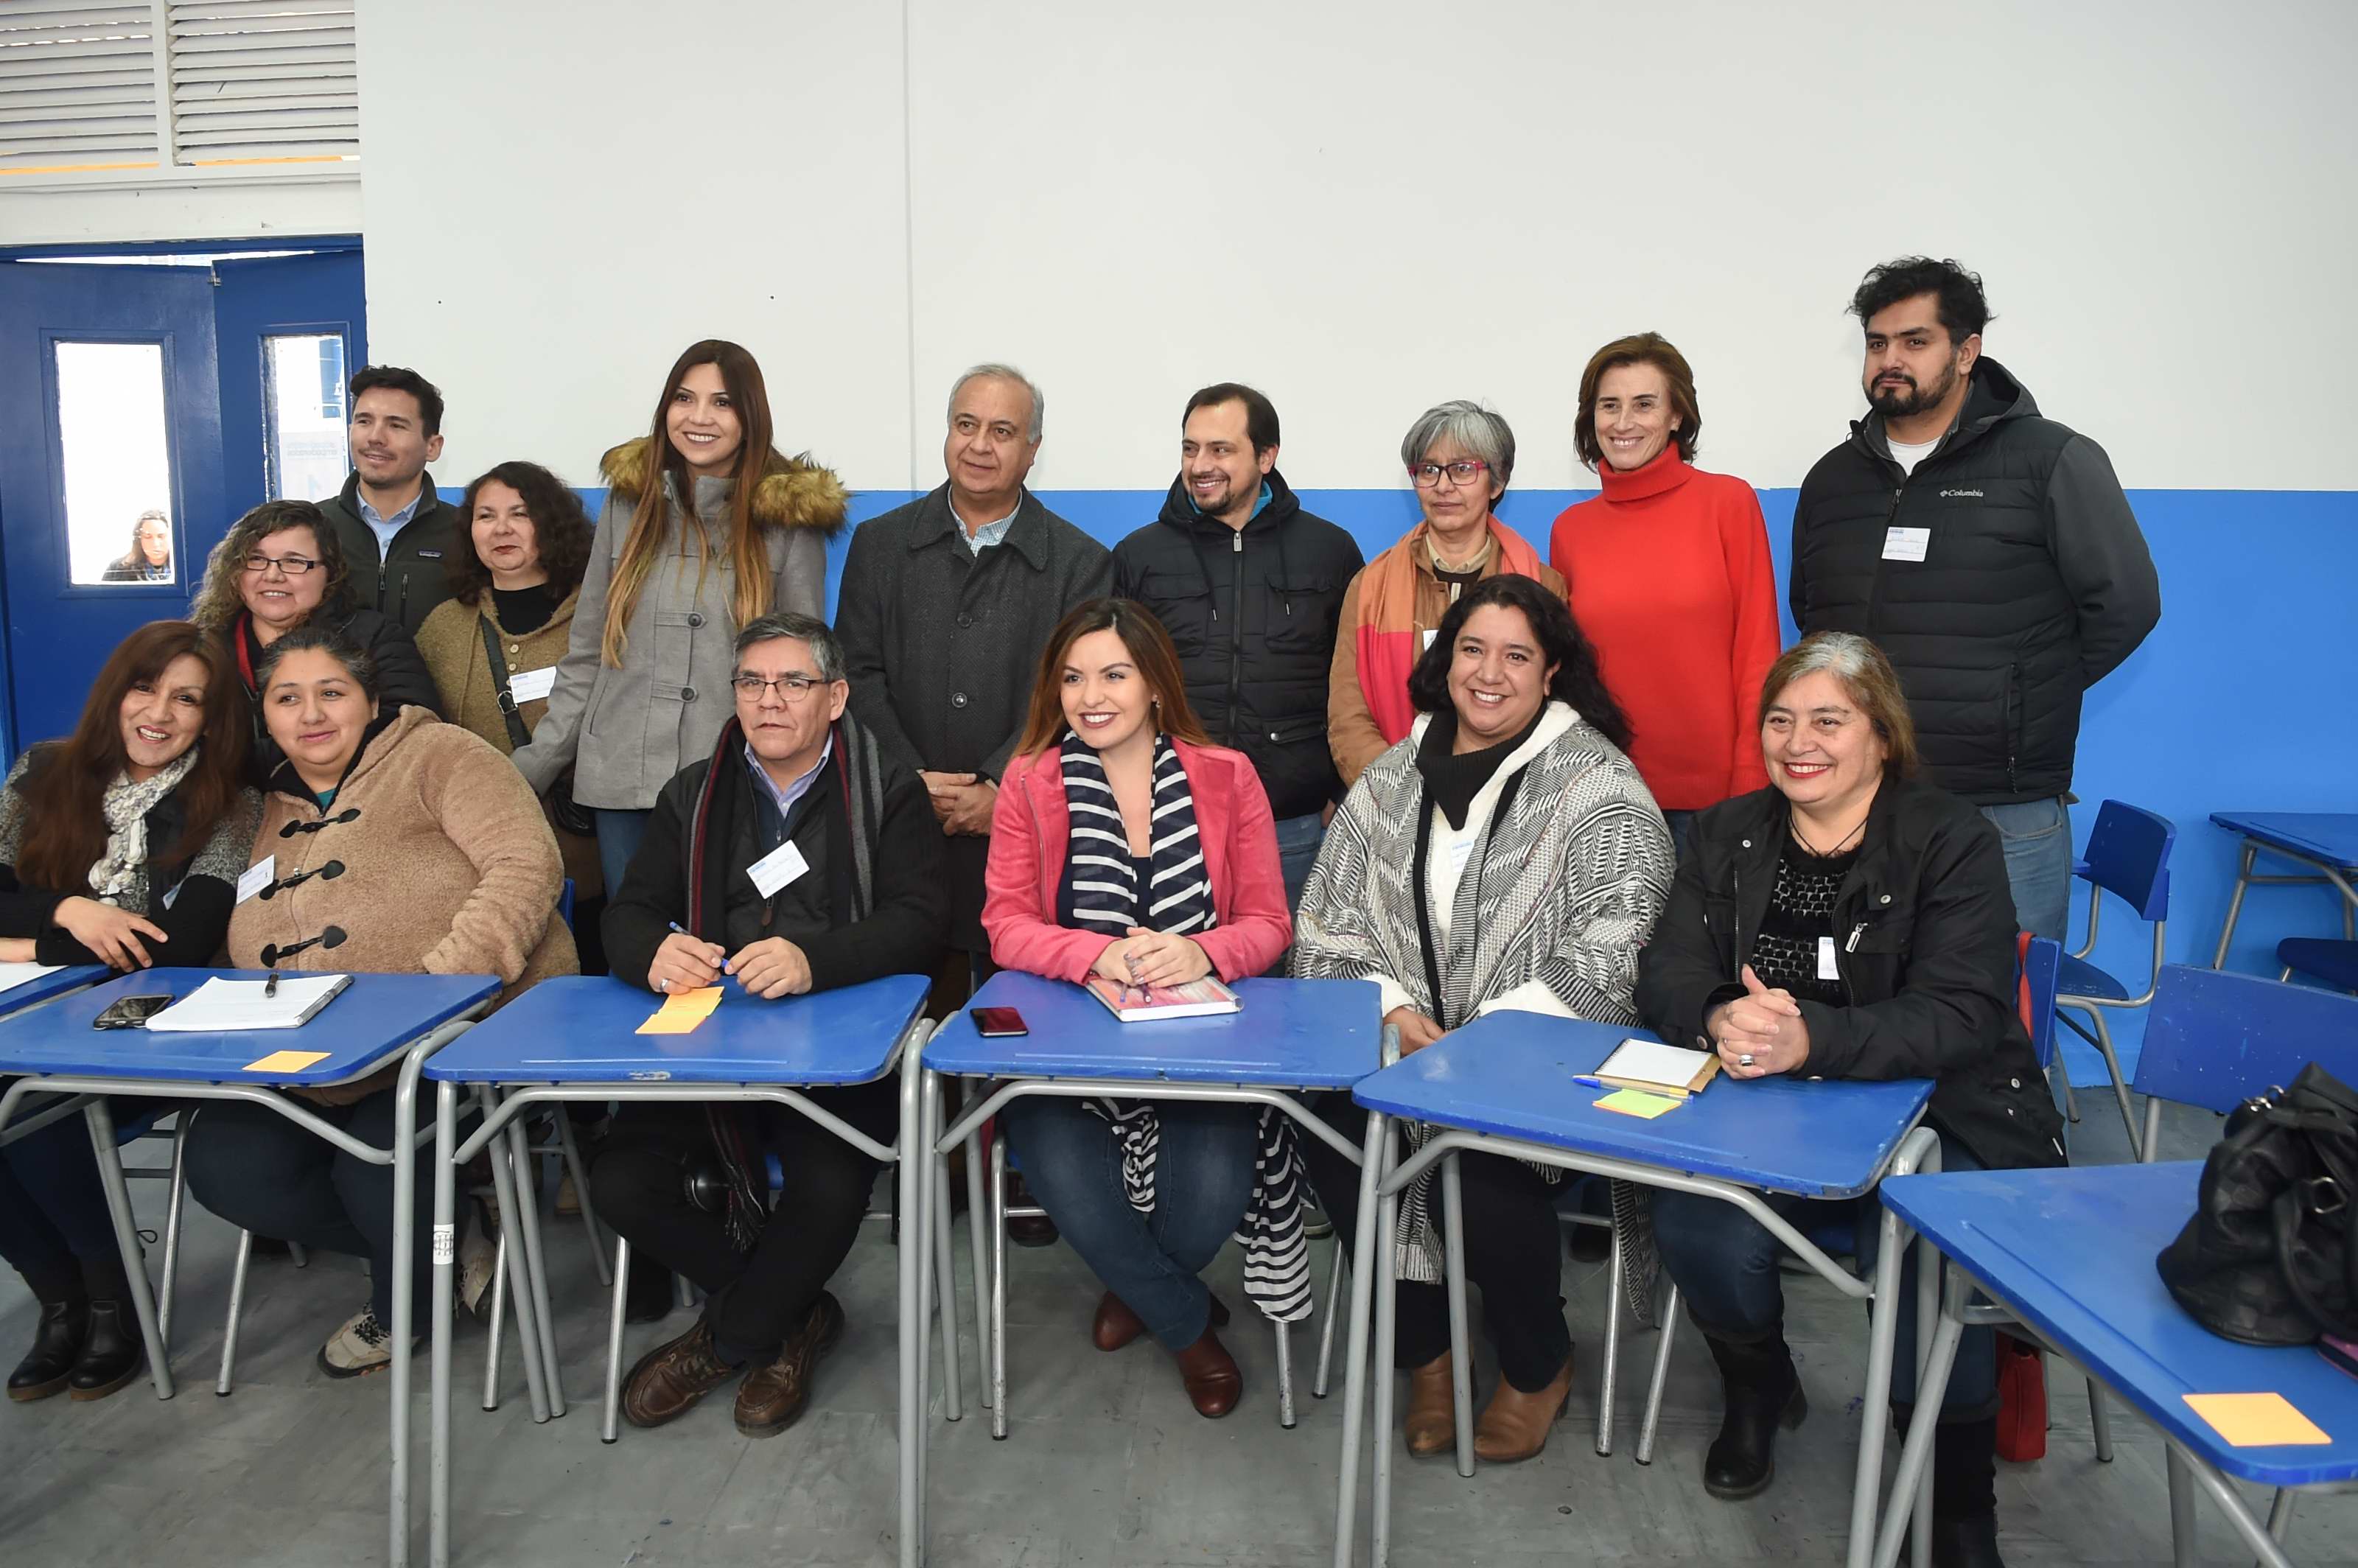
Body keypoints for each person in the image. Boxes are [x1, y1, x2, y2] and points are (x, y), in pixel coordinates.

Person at [1634, 631, 2064, 1568]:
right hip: (1765, 1112)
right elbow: (1665, 968)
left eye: (1827, 720)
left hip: (1941, 1111)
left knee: (1925, 1251)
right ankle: (1759, 1386)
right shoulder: (1723, 831)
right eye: (1779, 720)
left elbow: (1961, 1012)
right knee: (1694, 1222)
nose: (1798, 743)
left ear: (1880, 734)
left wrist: (1810, 1040)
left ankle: (1952, 1500)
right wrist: (1718, 1012)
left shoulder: (1950, 839)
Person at [1293, 573, 1673, 1464]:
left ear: (1551, 672)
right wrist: (1391, 1010)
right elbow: (1326, 919)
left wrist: (1485, 1040)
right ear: (1445, 658)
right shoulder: (1391, 774)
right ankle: (1427, 1352)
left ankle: (1538, 1362)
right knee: (1333, 1125)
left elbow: (1620, 935)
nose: (1488, 673)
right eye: (1471, 649)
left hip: (1536, 1055)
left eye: (1515, 655)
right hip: (1400, 1044)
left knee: (1473, 1158)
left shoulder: (1598, 786)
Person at [183, 624, 577, 1377]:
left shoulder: (443, 755)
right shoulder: (257, 806)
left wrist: (439, 992)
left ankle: (407, 1303)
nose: (311, 714)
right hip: (308, 1052)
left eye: (331, 693)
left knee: (378, 1166)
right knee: (227, 1166)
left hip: (462, 1032)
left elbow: (527, 866)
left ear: (370, 701)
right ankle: (451, 1237)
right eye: (287, 698)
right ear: (265, 714)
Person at [591, 613, 947, 1438]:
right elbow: (628, 912)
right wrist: (653, 953)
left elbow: (920, 919)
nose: (769, 700)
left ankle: (731, 1335)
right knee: (621, 1179)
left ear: (836, 698)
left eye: (793, 682)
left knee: (828, 1187)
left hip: (840, 1049)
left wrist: (814, 960)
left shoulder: (888, 791)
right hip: (710, 1045)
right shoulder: (694, 793)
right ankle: (794, 1312)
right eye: (751, 682)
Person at [980, 599, 1292, 1418]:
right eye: (1072, 678)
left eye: (1114, 675)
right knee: (1059, 1166)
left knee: (1215, 1188)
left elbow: (1269, 922)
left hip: (1200, 1047)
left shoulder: (1227, 775)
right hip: (1065, 1050)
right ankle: (1187, 1327)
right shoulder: (1030, 780)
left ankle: (1137, 1290)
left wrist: (1203, 951)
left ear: (1155, 684)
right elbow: (1004, 923)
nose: (1090, 697)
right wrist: (1094, 954)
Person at [1789, 257, 2160, 940]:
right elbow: (1813, 614)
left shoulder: (2050, 459)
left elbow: (2127, 604)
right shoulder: (1833, 480)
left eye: (1915, 341)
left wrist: (2022, 694)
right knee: (1862, 993)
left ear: (1966, 353)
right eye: (1877, 343)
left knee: (2006, 999)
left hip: (2002, 808)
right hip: (1860, 801)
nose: (1890, 360)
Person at [0, 621, 257, 1404]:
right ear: (116, 693)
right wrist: (72, 911)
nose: (159, 713)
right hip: (30, 1014)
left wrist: (24, 942)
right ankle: (59, 1297)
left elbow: (178, 945)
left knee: (34, 1107)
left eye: (188, 699)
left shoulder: (231, 803)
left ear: (210, 720)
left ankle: (114, 1299)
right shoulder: (42, 771)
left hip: (149, 1028)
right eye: (145, 689)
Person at [511, 340, 843, 905]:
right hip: (621, 777)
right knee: (638, 940)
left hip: (734, 782)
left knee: (727, 942)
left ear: (750, 417)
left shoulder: (787, 521)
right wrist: (532, 768)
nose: (699, 417)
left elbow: (799, 679)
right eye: (684, 399)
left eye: (722, 403)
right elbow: (588, 652)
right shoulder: (628, 504)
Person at [838, 363, 1112, 1016]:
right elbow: (855, 676)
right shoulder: (879, 545)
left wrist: (1000, 786)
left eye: (1002, 431)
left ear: (1032, 449)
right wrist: (908, 781)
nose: (980, 446)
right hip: (895, 828)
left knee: (1014, 1025)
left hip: (1024, 831)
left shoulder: (1082, 563)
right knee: (893, 1018)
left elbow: (1077, 696)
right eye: (966, 425)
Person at [1111, 383, 1363, 907]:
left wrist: (1342, 792)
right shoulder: (1140, 556)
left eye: (1220, 449)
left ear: (1266, 457)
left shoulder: (1330, 551)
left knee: (1289, 961)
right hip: (1168, 822)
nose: (1200, 465)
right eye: (1190, 448)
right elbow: (1113, 682)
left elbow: (1356, 683)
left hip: (1294, 827)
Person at [1547, 334, 1778, 848]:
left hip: (1715, 804)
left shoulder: (1728, 503)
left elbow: (1757, 652)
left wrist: (1752, 779)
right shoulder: (1570, 529)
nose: (1623, 422)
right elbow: (1570, 673)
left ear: (1676, 416)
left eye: (1644, 404)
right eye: (1610, 405)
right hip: (1604, 795)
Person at [415, 461, 603, 968]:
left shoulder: (598, 618)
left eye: (520, 514)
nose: (501, 529)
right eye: (486, 516)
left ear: (551, 525)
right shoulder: (445, 626)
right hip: (480, 859)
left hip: (586, 852)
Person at [1329, 399, 1567, 789]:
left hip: (1511, 797)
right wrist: (1400, 793)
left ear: (1497, 483)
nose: (1443, 486)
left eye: (1463, 469)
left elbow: (1555, 707)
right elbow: (1348, 715)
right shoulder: (1370, 587)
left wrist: (1494, 795)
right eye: (1429, 470)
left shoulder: (1544, 586)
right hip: (1394, 796)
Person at [316, 365, 469, 634]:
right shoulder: (312, 529)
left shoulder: (466, 533)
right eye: (364, 421)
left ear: (432, 447)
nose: (375, 437)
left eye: (396, 425)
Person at [101, 509, 172, 582]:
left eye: (161, 537)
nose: (155, 544)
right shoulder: (117, 569)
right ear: (139, 539)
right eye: (148, 537)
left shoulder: (180, 567)